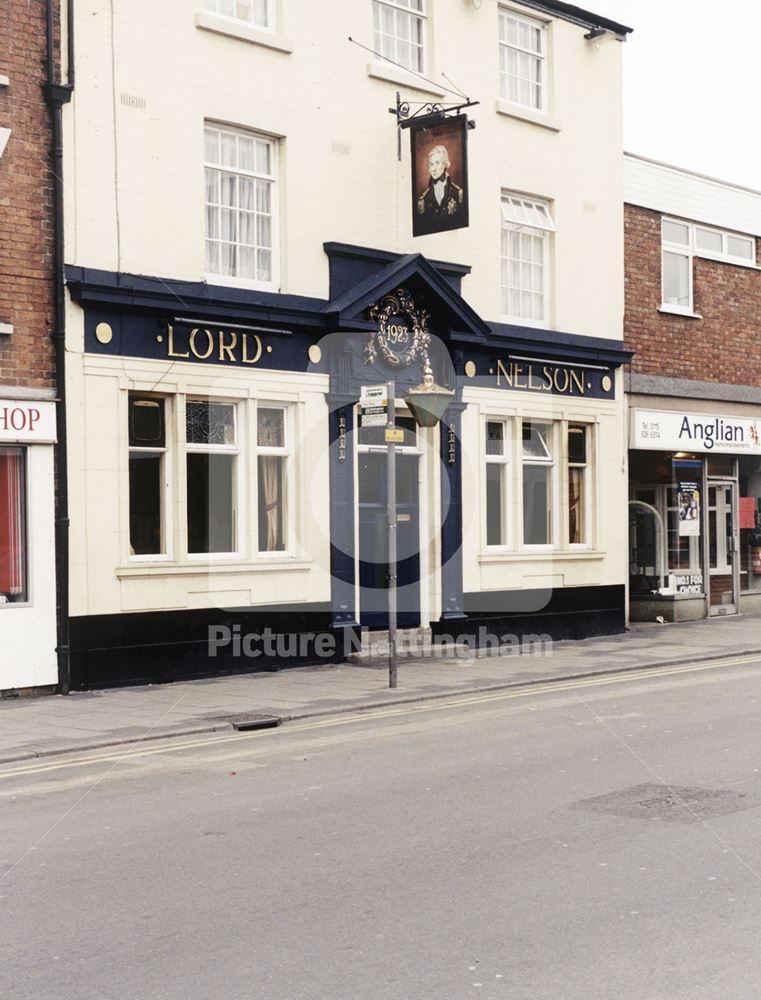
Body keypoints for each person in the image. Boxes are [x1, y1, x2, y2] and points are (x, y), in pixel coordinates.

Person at [416, 144, 464, 233]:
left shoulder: (457, 193)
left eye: (437, 163)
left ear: (445, 164)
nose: (433, 169)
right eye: (431, 164)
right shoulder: (423, 199)